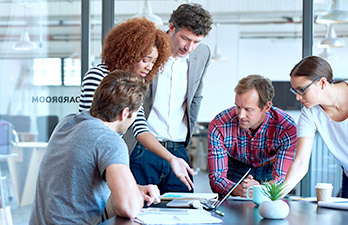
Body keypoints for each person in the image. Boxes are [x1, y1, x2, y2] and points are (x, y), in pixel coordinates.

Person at [78, 17, 195, 190]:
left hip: (111, 158)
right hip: (93, 160)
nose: (149, 67)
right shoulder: (98, 75)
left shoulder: (135, 85)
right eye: (145, 59)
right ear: (129, 52)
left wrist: (172, 159)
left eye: (154, 62)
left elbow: (140, 128)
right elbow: (90, 127)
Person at [30, 70, 160, 225]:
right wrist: (136, 197)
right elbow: (128, 208)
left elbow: (77, 182)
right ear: (125, 113)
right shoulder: (110, 140)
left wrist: (135, 188)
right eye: (137, 113)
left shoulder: (66, 124)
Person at [128, 3, 213, 194]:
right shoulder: (148, 51)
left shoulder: (203, 54)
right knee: (140, 212)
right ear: (172, 27)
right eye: (185, 38)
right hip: (143, 148)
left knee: (183, 213)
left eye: (196, 41)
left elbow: (196, 95)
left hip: (178, 148)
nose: (189, 47)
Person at [282, 56, 348, 198]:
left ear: (322, 83)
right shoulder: (309, 113)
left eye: (301, 90)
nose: (298, 98)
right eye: (295, 91)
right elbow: (300, 162)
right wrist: (277, 195)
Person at [207, 75, 297, 197]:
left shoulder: (286, 127)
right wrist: (237, 190)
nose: (241, 115)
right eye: (238, 107)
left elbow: (282, 179)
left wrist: (260, 189)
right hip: (236, 170)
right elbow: (216, 178)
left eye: (248, 109)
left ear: (266, 107)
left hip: (270, 171)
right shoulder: (220, 125)